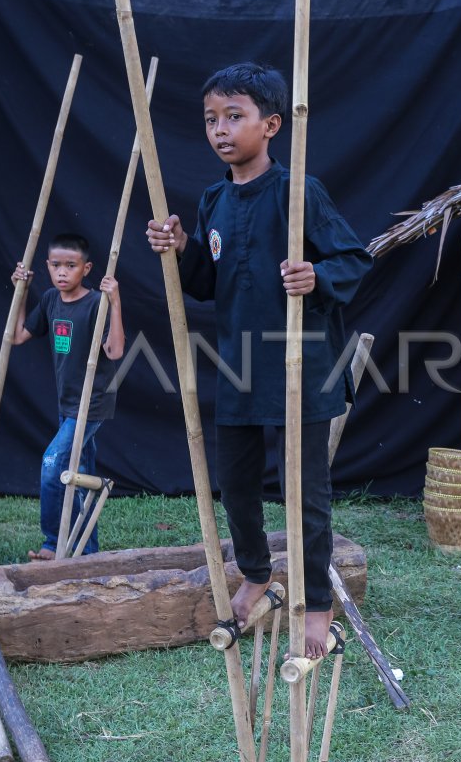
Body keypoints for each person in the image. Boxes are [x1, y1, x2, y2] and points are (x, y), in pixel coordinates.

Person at [145, 62, 371, 659]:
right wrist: (181, 247)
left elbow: (355, 259)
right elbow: (203, 282)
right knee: (237, 483)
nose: (220, 129)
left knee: (305, 494)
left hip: (303, 364)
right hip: (240, 363)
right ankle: (255, 572)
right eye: (211, 119)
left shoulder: (300, 193)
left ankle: (317, 604)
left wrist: (315, 273)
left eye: (234, 117)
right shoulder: (215, 198)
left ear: (271, 125)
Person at [11, 233, 124, 560]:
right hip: (67, 403)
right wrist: (22, 292)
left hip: (92, 402)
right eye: (56, 265)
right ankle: (87, 553)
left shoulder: (95, 304)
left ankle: (51, 543)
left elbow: (115, 351)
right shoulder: (49, 300)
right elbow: (17, 336)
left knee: (53, 464)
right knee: (81, 478)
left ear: (86, 268)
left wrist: (115, 302)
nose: (62, 272)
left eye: (70, 266)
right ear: (47, 266)